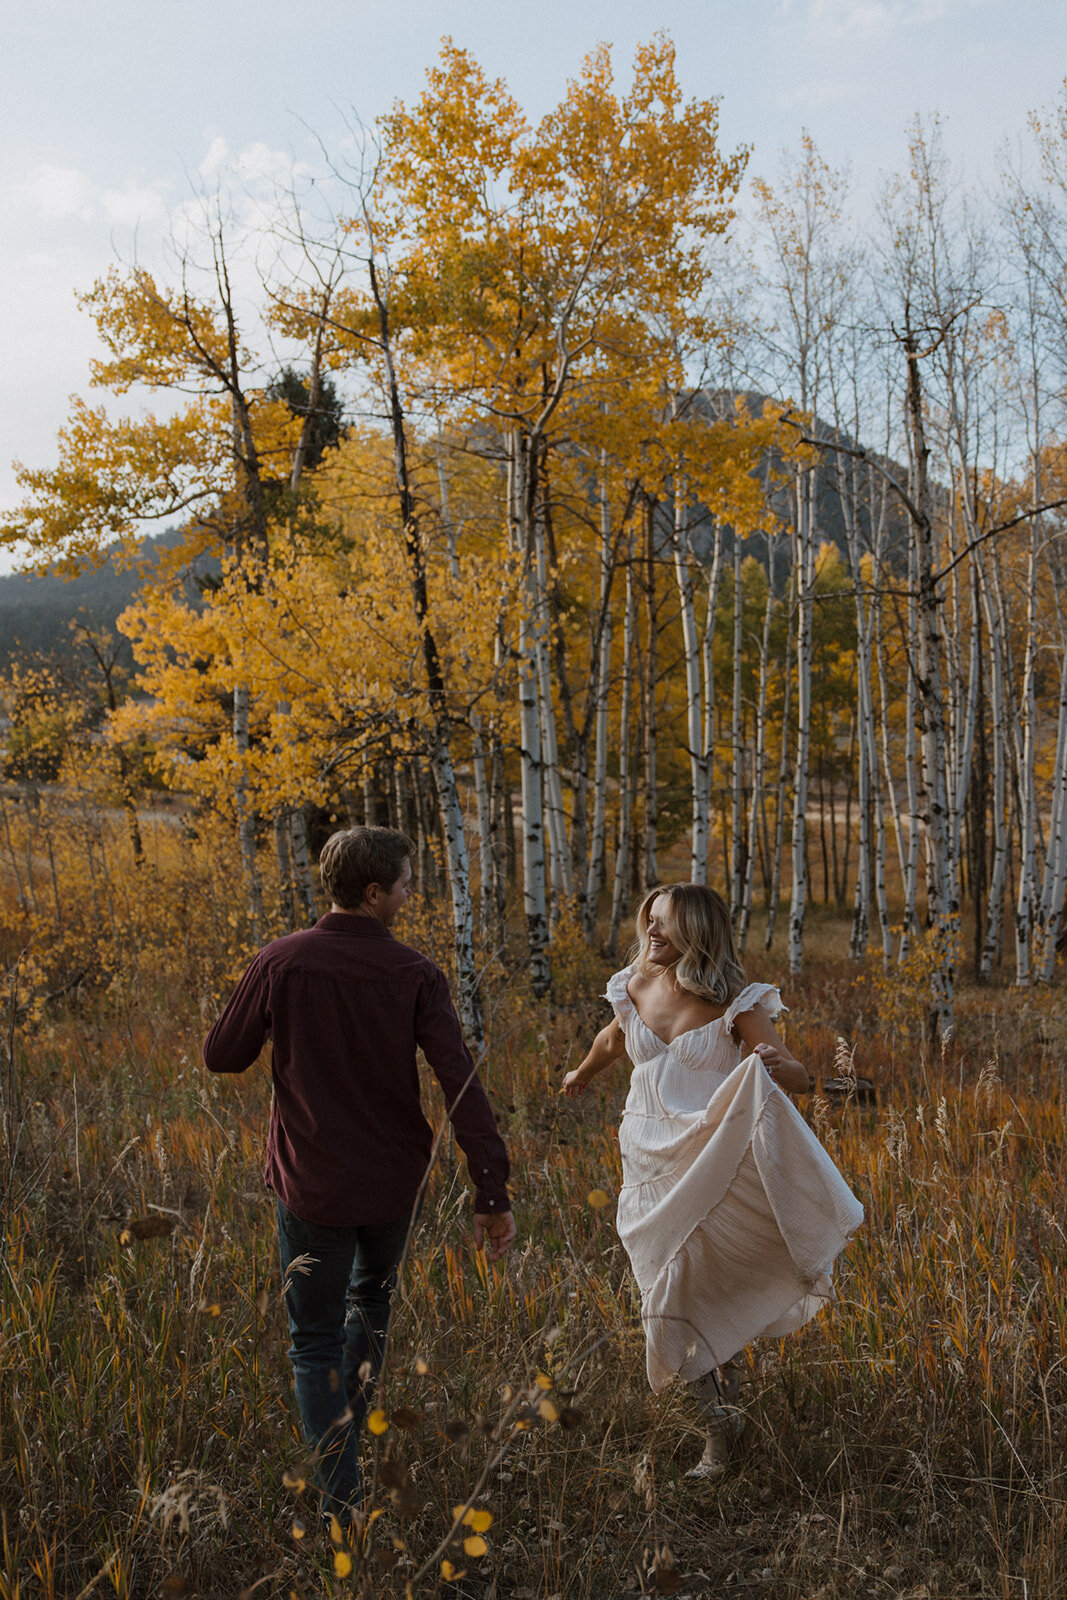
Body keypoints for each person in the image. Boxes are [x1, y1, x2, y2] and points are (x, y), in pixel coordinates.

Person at [203, 826, 516, 1521]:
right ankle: (344, 1463)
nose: (412, 894)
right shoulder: (413, 973)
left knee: (313, 1339)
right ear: (374, 893)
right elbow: (460, 1083)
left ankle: (339, 1496)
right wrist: (488, 1188)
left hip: (313, 1182)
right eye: (406, 884)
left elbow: (222, 1056)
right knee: (369, 1301)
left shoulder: (281, 961)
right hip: (391, 1183)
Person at [562, 883, 863, 1477]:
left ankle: (718, 1432)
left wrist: (784, 1067)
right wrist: (583, 1072)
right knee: (660, 1284)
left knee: (700, 1282)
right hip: (648, 1160)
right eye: (649, 920)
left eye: (666, 925)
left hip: (717, 1155)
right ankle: (720, 1403)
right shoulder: (634, 984)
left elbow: (797, 1077)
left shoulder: (737, 1001)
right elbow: (614, 1037)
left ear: (697, 932)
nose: (651, 933)